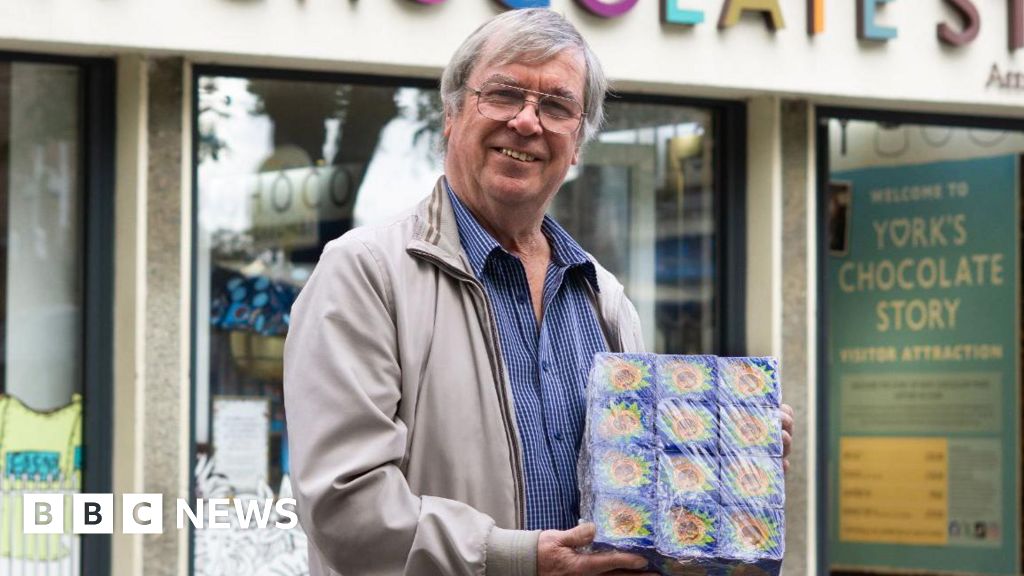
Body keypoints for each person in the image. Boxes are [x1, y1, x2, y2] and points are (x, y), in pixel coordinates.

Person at [284, 8, 794, 576]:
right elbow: (343, 503)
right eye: (503, 94)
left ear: (577, 144)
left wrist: (732, 464)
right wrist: (515, 559)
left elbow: (640, 509)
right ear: (451, 114)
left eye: (556, 106)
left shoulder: (603, 298)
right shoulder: (367, 272)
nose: (527, 122)